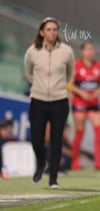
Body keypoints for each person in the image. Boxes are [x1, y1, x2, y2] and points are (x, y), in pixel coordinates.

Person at [24, 17, 75, 189]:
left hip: (59, 101)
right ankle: (40, 163)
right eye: (48, 29)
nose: (52, 32)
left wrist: (58, 87)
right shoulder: (32, 52)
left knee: (56, 140)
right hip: (38, 101)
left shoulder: (67, 51)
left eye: (55, 29)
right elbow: (29, 73)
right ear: (41, 32)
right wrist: (39, 86)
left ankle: (53, 178)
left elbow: (69, 74)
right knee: (37, 140)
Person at [69, 41, 100, 170]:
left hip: (94, 103)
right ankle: (75, 162)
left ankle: (98, 162)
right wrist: (81, 93)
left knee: (99, 132)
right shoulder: (77, 65)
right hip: (79, 103)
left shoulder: (98, 66)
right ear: (82, 51)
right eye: (88, 49)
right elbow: (69, 84)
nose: (90, 52)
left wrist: (97, 92)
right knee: (80, 133)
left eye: (92, 49)